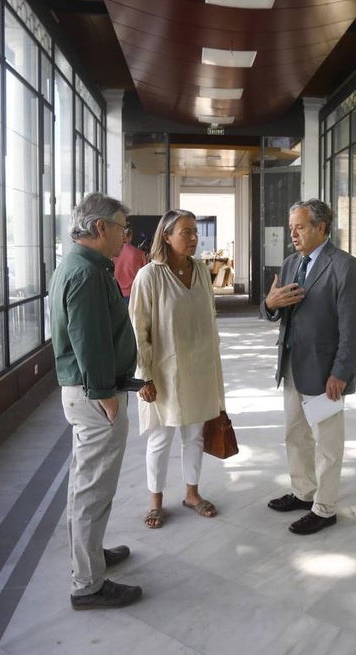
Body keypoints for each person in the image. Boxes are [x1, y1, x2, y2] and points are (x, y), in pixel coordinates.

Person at [49, 193, 142, 610]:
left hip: (88, 393)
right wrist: (106, 395)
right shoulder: (86, 273)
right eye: (122, 227)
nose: (126, 236)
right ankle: (87, 584)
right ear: (101, 227)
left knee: (87, 485)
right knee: (92, 490)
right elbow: (91, 342)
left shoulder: (81, 264)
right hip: (95, 396)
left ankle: (91, 556)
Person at [260, 199, 356, 535]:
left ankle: (324, 508)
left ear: (321, 227)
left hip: (325, 372)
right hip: (292, 365)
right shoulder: (291, 263)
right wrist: (269, 304)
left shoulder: (345, 267)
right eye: (291, 227)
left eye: (301, 227)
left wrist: (341, 372)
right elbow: (275, 310)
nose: (293, 234)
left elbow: (354, 328)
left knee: (328, 443)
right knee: (295, 435)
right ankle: (303, 492)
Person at [130, 209, 225, 530]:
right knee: (160, 438)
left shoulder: (201, 271)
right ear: (167, 236)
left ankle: (192, 494)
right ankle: (155, 502)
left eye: (195, 232)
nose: (194, 238)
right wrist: (144, 376)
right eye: (186, 232)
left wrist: (215, 370)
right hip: (164, 374)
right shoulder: (149, 276)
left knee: (194, 437)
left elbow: (210, 320)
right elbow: (138, 330)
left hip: (199, 370)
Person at [113, 221, 148, 305]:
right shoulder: (139, 253)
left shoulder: (113, 252)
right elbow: (145, 275)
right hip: (133, 293)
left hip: (115, 293)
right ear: (131, 235)